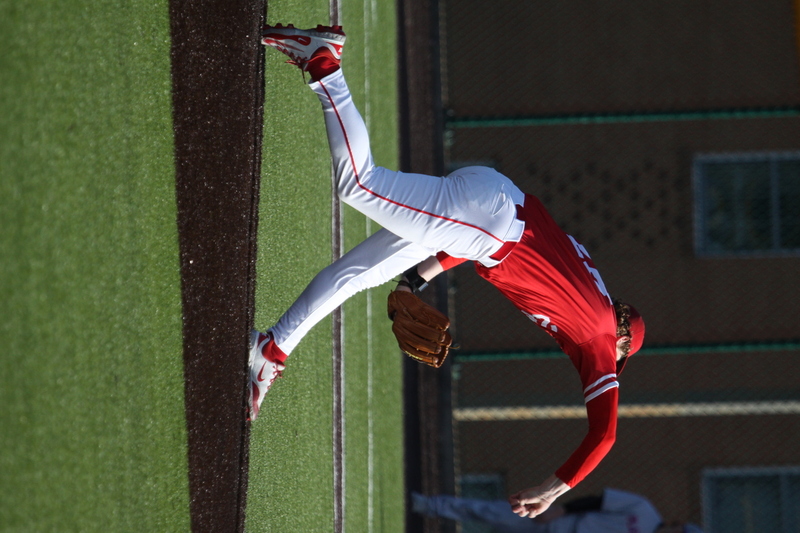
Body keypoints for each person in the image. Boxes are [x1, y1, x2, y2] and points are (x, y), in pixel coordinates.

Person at [252, 24, 646, 518]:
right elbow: (604, 435)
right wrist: (552, 490)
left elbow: (510, 243)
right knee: (359, 185)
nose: (612, 364)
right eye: (620, 357)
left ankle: (270, 349)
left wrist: (421, 275)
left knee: (360, 273)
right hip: (485, 226)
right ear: (623, 341)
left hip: (492, 208)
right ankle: (324, 64)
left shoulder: (591, 283)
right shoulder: (599, 338)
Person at [411, 489, 703, 533]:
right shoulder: (644, 510)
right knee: (491, 513)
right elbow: (599, 500)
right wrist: (559, 509)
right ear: (678, 524)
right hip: (555, 524)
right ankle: (430, 505)